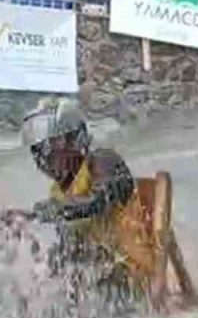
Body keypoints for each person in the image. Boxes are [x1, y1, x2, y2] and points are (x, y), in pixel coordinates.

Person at [23, 98, 157, 292]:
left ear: (76, 140)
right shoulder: (60, 191)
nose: (43, 157)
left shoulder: (104, 162)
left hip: (129, 274)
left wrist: (40, 214)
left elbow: (98, 201)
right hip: (96, 274)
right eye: (37, 150)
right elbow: (68, 246)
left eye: (50, 146)